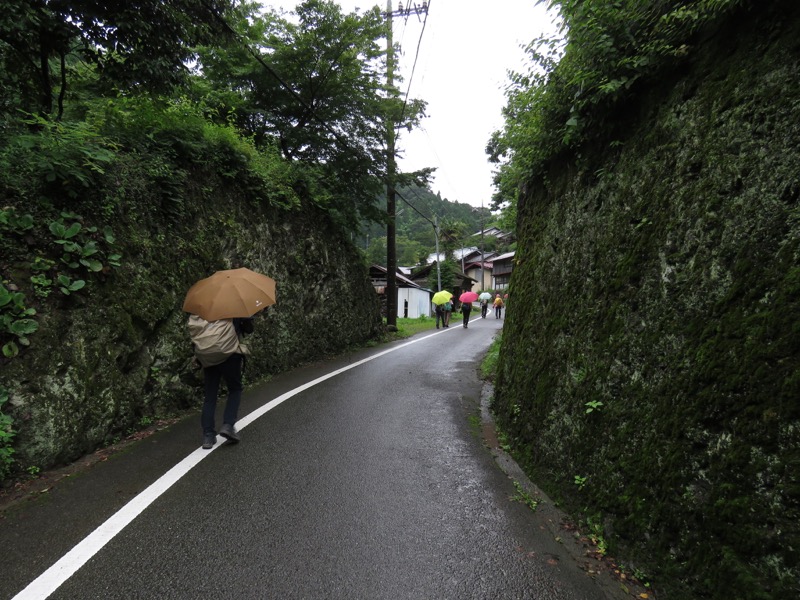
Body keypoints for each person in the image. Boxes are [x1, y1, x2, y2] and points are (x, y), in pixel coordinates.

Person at [201, 316, 254, 449]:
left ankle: (208, 435)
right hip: (230, 354)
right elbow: (249, 329)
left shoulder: (205, 310)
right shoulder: (234, 308)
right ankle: (228, 425)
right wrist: (246, 319)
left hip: (209, 355)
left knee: (210, 396)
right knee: (235, 389)